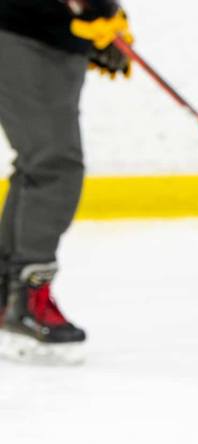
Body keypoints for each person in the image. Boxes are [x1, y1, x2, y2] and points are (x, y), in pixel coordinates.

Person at [0, 0, 131, 364]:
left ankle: (9, 297)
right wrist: (92, 10)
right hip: (23, 34)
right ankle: (29, 298)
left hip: (55, 39)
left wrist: (106, 18)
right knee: (55, 165)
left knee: (37, 165)